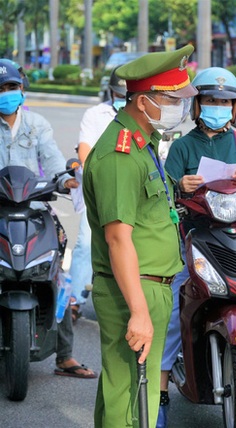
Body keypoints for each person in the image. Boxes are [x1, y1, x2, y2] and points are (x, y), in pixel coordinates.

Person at [83, 45, 197, 428]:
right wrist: (138, 311)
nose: (182, 107)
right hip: (134, 288)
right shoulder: (120, 155)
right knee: (132, 400)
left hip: (149, 285)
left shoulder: (143, 144)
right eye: (174, 99)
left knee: (126, 389)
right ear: (145, 101)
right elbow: (118, 239)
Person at [156, 67, 236, 428]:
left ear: (235, 108)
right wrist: (181, 186)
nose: (217, 106)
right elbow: (165, 193)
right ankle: (159, 389)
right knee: (174, 308)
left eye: (224, 101)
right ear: (197, 105)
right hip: (197, 236)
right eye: (210, 100)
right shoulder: (182, 146)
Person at [0, 59, 97, 379]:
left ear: (22, 89)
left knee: (55, 273)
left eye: (11, 87)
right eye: (0, 89)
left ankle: (65, 356)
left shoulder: (37, 125)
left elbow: (54, 160)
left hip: (35, 210)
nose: (6, 94)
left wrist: (66, 178)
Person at [67, 66, 127, 322]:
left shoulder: (145, 114)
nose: (124, 97)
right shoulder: (96, 114)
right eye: (120, 92)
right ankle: (75, 300)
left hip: (132, 188)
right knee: (85, 243)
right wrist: (99, 176)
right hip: (100, 187)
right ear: (111, 91)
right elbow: (84, 150)